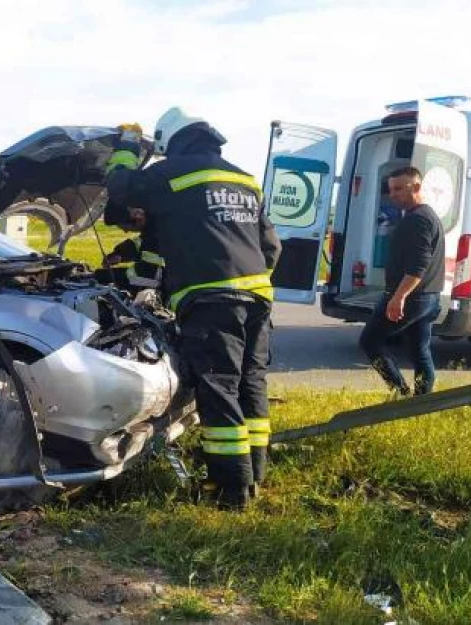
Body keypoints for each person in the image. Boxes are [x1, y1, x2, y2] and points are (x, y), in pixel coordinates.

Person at [102, 109, 281, 510]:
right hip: (258, 295)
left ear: (170, 143)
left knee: (217, 386)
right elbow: (271, 246)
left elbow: (119, 187)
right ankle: (254, 475)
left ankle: (230, 491)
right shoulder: (243, 178)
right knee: (250, 384)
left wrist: (128, 148)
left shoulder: (169, 174)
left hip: (212, 298)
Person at [359, 166, 446, 396]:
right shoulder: (427, 216)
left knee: (370, 341)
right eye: (391, 190)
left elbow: (418, 265)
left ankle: (400, 392)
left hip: (413, 297)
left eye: (399, 189)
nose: (393, 194)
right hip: (428, 297)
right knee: (419, 350)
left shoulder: (418, 220)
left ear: (416, 187)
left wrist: (398, 297)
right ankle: (422, 399)